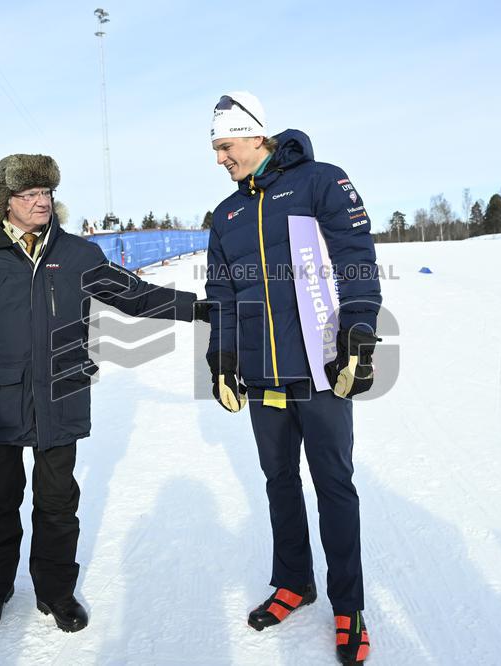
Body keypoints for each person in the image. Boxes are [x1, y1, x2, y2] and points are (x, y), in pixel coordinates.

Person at [0, 154, 199, 634]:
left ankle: (55, 590)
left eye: (46, 193)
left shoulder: (76, 254)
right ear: (3, 202)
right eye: (29, 194)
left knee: (57, 503)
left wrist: (196, 308)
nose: (41, 202)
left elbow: (134, 296)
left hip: (61, 395)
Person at [203, 93, 381, 665]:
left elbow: (356, 255)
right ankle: (293, 582)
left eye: (225, 146)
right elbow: (223, 293)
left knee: (333, 485)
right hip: (263, 376)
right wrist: (223, 358)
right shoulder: (226, 215)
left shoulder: (319, 182)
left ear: (257, 137)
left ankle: (348, 607)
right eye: (215, 150)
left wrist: (359, 334)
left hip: (321, 370)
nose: (220, 158)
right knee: (279, 481)